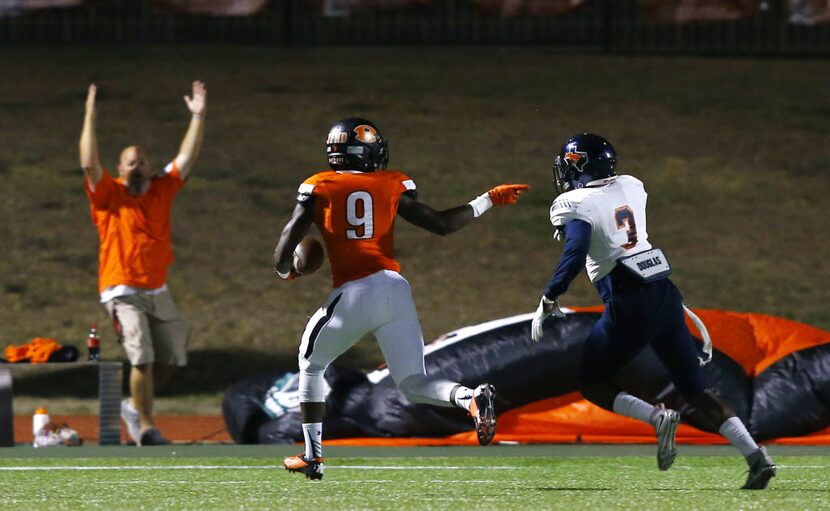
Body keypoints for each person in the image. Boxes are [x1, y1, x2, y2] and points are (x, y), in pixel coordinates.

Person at [274, 117, 529, 480]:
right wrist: (487, 199)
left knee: (311, 365)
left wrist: (288, 270)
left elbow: (288, 238)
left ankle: (313, 456)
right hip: (395, 288)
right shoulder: (392, 183)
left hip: (355, 290)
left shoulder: (319, 186)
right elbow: (441, 224)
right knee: (411, 381)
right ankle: (469, 397)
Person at [530, 133, 776, 490]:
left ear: (581, 165)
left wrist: (550, 296)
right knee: (695, 389)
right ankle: (756, 457)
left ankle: (657, 419)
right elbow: (612, 226)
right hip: (664, 295)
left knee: (593, 382)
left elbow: (575, 252)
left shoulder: (573, 202)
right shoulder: (631, 185)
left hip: (628, 300)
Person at [79, 81, 207, 446]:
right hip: (121, 290)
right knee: (143, 358)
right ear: (120, 169)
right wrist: (90, 112)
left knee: (171, 356)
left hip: (158, 289)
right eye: (130, 162)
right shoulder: (109, 195)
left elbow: (187, 157)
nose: (137, 166)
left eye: (142, 161)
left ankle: (133, 406)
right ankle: (147, 427)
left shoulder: (161, 188)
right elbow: (88, 162)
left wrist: (197, 116)